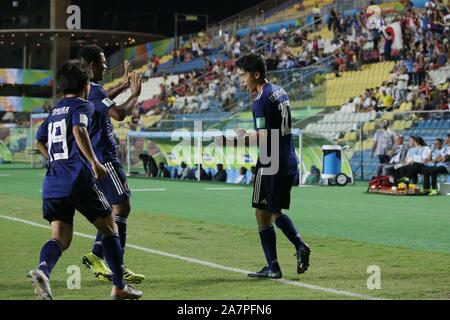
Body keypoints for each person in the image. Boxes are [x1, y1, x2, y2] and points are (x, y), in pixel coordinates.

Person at [29, 59, 142, 300]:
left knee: (60, 237)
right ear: (86, 86)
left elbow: (39, 140)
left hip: (52, 182)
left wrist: (52, 160)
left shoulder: (54, 110)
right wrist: (94, 162)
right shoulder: (83, 106)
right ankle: (119, 287)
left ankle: (43, 271)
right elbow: (79, 130)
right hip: (77, 179)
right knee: (110, 226)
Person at [235, 53, 310, 279]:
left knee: (272, 212)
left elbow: (264, 136)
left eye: (243, 75)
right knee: (263, 211)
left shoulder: (260, 101)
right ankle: (273, 266)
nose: (241, 80)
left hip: (271, 161)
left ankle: (297, 247)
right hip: (287, 157)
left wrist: (243, 136)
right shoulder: (279, 90)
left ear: (256, 74)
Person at [77, 45, 145, 283]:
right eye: (103, 63)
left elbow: (103, 100)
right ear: (92, 65)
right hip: (105, 157)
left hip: (95, 157)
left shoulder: (88, 90)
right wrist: (135, 94)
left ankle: (100, 257)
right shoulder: (93, 89)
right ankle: (115, 264)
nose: (106, 67)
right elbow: (118, 114)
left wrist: (125, 86)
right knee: (122, 207)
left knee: (111, 210)